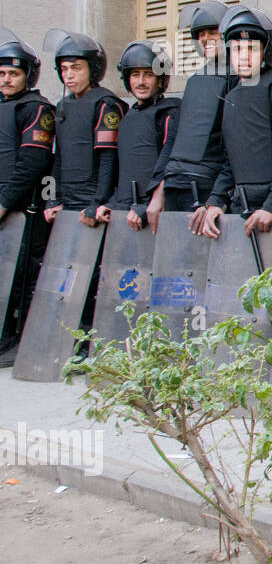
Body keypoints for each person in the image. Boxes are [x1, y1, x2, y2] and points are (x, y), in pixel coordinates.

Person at [191, 5, 272, 239]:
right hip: (239, 207)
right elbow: (229, 160)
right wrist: (215, 202)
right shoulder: (231, 93)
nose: (243, 56)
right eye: (236, 49)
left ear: (266, 51)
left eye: (251, 49)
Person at [147, 0, 232, 230]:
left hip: (208, 189)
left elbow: (235, 150)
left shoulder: (238, 79)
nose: (205, 38)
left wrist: (217, 198)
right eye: (200, 33)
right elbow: (174, 138)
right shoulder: (195, 80)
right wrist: (159, 189)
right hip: (177, 185)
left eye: (212, 32)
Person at [0, 28, 55, 367]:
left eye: (13, 74)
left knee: (22, 278)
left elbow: (31, 163)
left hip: (24, 211)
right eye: (1, 73)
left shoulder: (37, 109)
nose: (5, 80)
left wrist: (4, 203)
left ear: (28, 75)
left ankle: (17, 341)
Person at [42, 30, 126, 227]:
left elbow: (109, 159)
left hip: (93, 205)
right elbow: (58, 158)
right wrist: (52, 199)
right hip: (67, 203)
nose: (68, 75)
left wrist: (98, 202)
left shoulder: (106, 104)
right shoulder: (62, 106)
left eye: (76, 68)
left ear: (93, 69)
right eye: (64, 69)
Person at [99, 40, 179, 230]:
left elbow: (170, 161)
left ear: (160, 80)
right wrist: (112, 204)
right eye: (135, 75)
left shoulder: (169, 113)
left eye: (148, 75)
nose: (141, 82)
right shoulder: (127, 116)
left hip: (155, 215)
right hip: (126, 214)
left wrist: (148, 204)